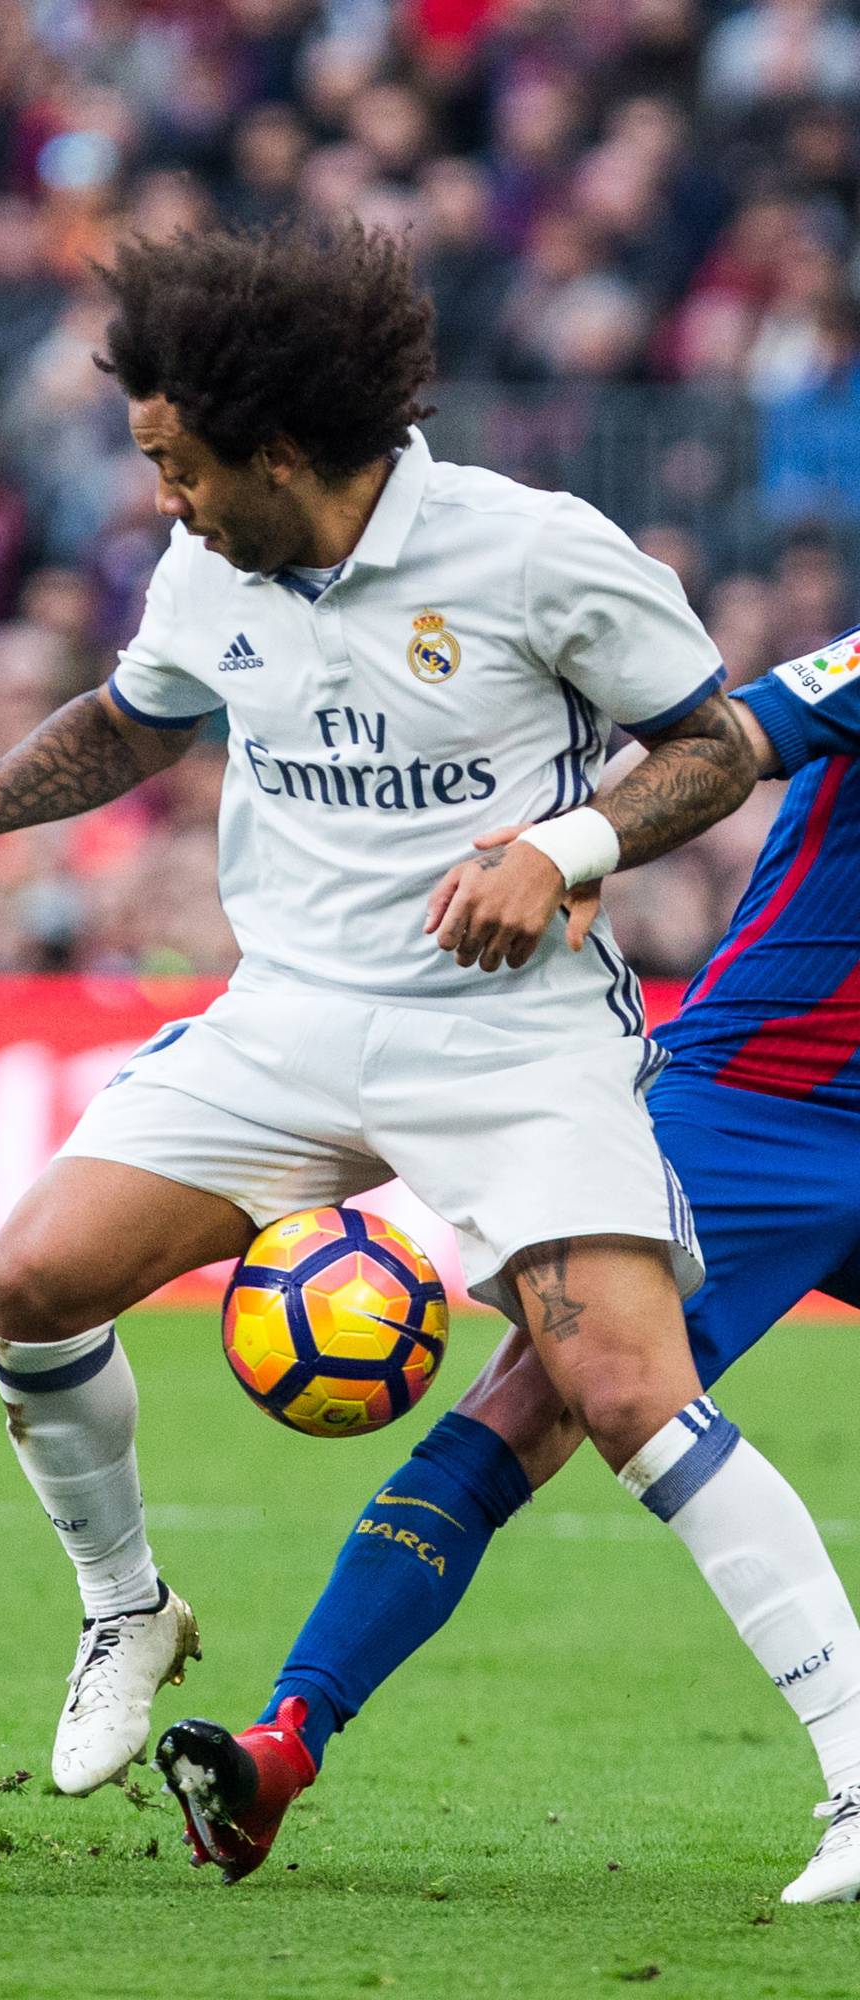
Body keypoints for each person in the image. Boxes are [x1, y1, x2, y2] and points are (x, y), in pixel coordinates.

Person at [0, 219, 860, 1890]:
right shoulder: (211, 566)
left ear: (282, 450)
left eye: (180, 466)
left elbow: (713, 745)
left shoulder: (535, 550)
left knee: (633, 1391)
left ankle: (855, 1767)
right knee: (32, 1280)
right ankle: (129, 1611)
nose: (164, 501)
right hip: (289, 1020)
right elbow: (133, 718)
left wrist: (560, 852)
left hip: (514, 1036)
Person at [153, 629, 860, 1905]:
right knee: (546, 1399)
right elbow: (739, 735)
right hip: (758, 1106)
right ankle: (285, 1742)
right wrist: (573, 846)